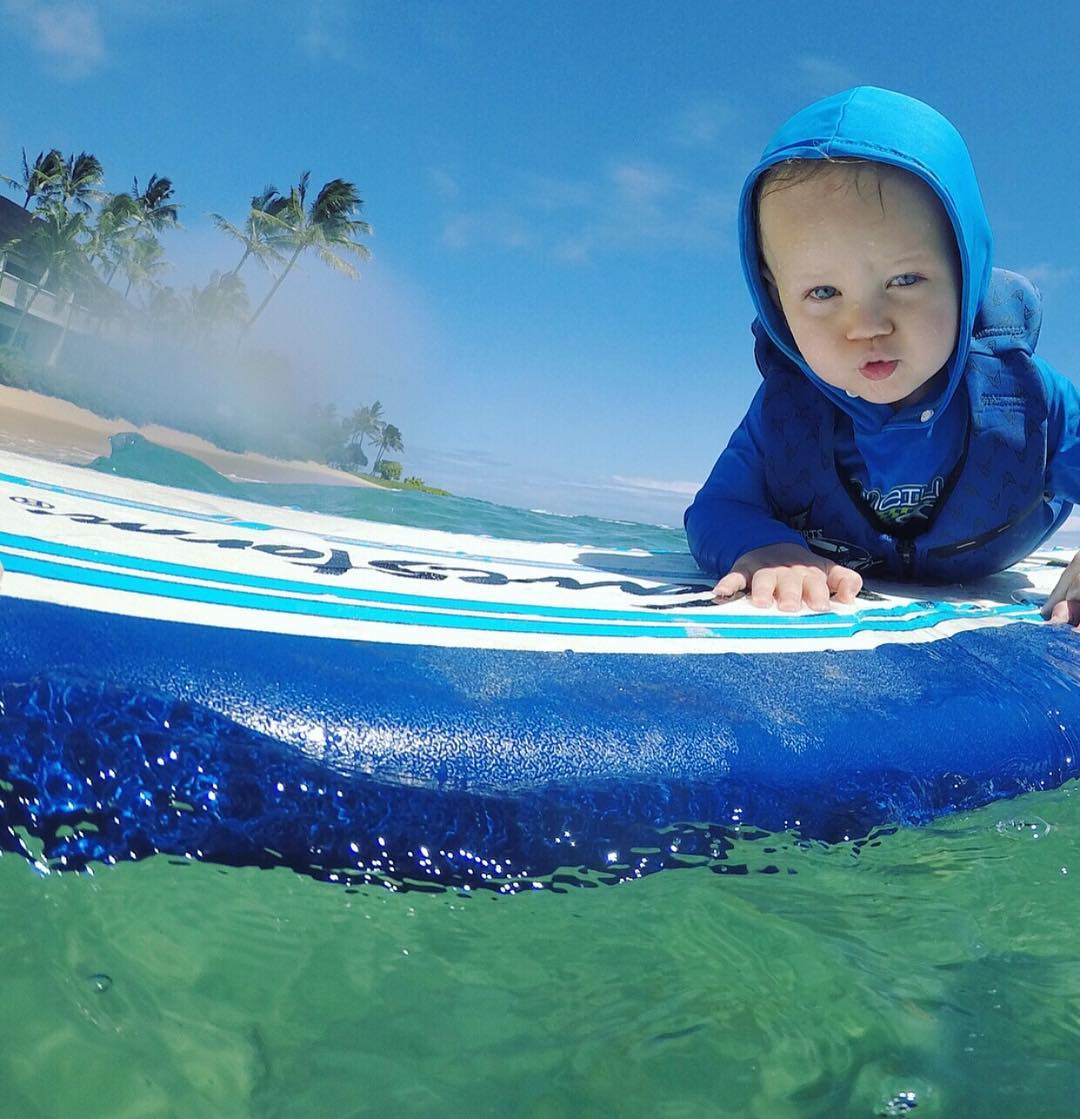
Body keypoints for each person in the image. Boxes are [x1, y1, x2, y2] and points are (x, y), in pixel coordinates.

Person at [684, 86, 1080, 626]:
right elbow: (718, 507)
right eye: (823, 293)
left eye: (905, 279)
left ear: (968, 272)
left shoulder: (1027, 401)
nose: (867, 325)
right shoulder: (784, 418)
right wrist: (762, 546)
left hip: (1003, 534)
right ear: (776, 301)